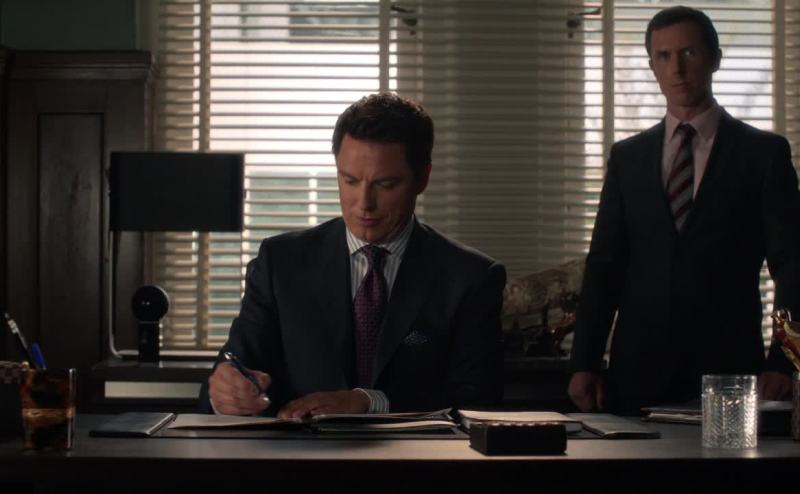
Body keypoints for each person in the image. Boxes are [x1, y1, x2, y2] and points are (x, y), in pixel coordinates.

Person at [200, 93, 506, 417]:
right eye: (350, 180)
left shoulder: (470, 277)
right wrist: (225, 393)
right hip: (299, 449)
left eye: (385, 184)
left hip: (417, 451)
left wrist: (372, 403)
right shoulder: (281, 263)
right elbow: (234, 372)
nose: (364, 203)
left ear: (423, 178)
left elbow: (479, 401)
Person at [569, 6, 800, 414]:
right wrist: (584, 362)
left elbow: (792, 264)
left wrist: (784, 359)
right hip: (637, 370)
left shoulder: (762, 154)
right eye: (663, 56)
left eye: (689, 53)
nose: (676, 69)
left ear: (715, 59)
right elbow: (605, 265)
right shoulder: (628, 158)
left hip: (728, 367)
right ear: (652, 67)